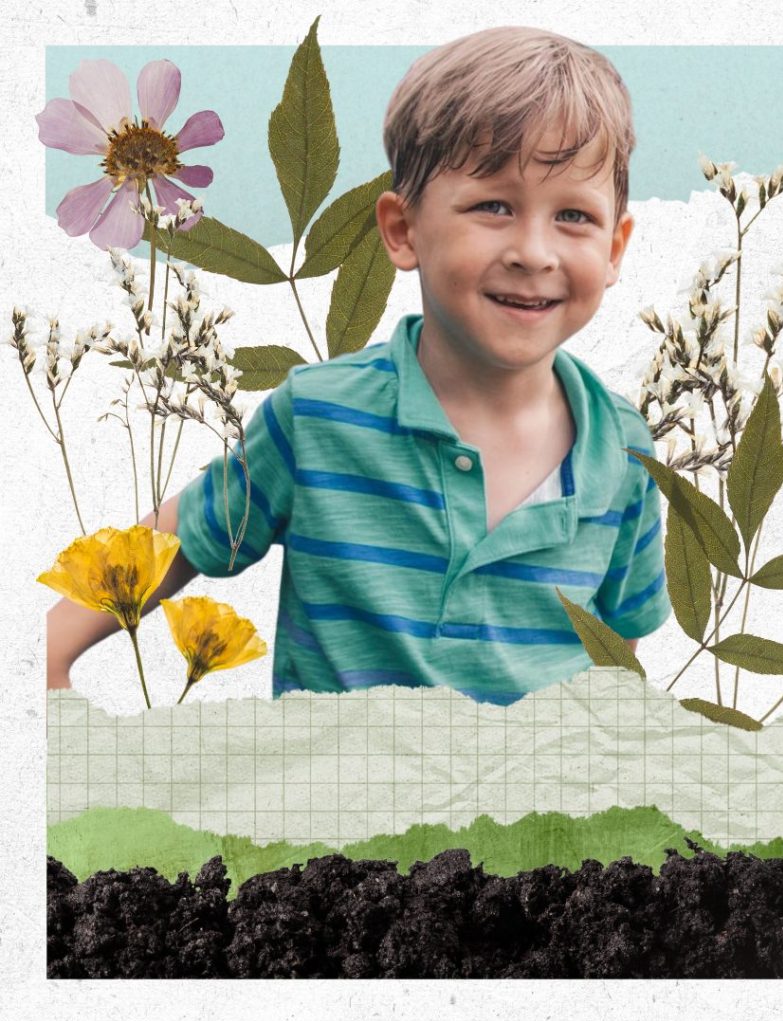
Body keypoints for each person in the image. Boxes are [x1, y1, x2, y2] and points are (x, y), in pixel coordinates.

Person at [46, 26, 671, 705]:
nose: (534, 251)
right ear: (403, 231)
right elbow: (171, 545)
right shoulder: (318, 416)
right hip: (337, 800)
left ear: (615, 248)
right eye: (494, 205)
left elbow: (615, 662)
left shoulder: (628, 451)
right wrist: (42, 664)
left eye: (574, 216)